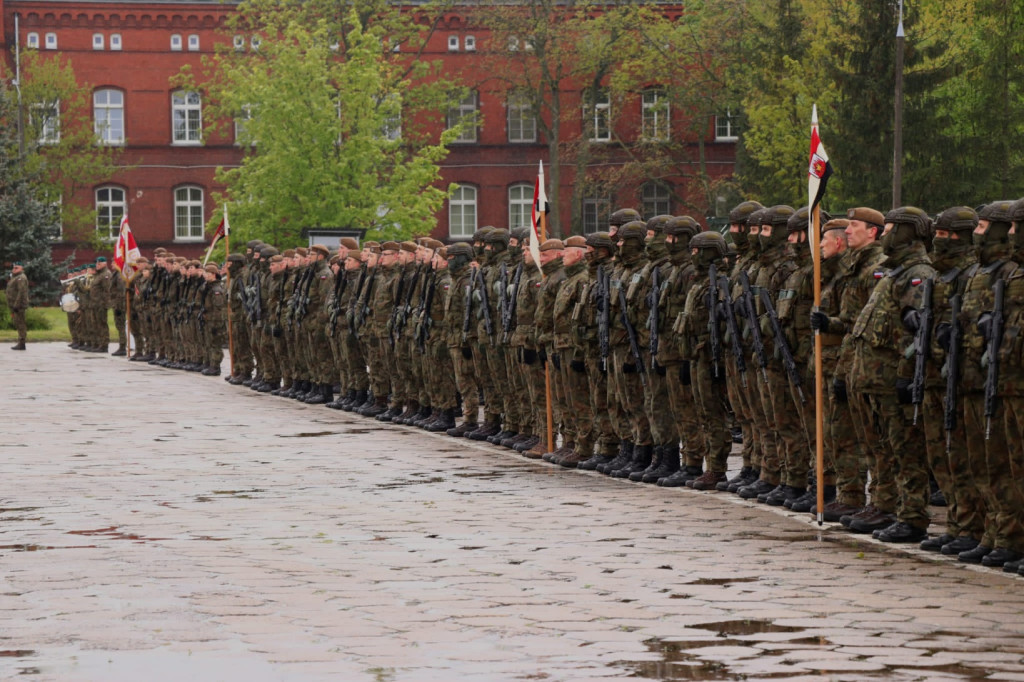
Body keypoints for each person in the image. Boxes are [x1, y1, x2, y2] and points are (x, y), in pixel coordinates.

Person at [6, 262, 29, 350]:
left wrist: (17, 304)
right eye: (14, 267)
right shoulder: (15, 277)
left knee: (21, 324)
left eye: (17, 268)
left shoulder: (21, 278)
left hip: (19, 305)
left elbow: (21, 292)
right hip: (14, 305)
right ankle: (20, 342)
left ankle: (22, 343)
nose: (14, 269)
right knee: (18, 323)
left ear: (22, 269)